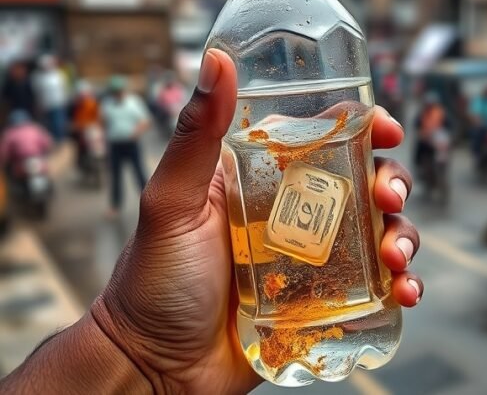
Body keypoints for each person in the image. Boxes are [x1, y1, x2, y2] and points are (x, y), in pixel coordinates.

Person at [0, 49, 423, 393]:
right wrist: (135, 349)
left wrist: (136, 354)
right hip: (272, 333)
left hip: (293, 336)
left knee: (359, 191)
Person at [101, 75, 151, 216]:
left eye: (119, 91)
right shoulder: (107, 104)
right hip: (115, 144)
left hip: (131, 144)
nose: (117, 94)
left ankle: (149, 204)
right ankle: (115, 206)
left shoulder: (134, 102)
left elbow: (145, 120)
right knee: (115, 176)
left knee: (139, 173)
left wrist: (136, 132)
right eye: (114, 91)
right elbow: (103, 122)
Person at [0, 110, 54, 178]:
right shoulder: (35, 128)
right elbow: (48, 142)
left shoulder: (9, 133)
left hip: (21, 163)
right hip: (37, 159)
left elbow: (4, 152)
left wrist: (4, 162)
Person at [32, 54, 69, 141]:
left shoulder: (59, 74)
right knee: (47, 125)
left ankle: (60, 140)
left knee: (58, 124)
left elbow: (64, 88)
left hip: (58, 103)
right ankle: (50, 141)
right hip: (45, 105)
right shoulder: (37, 77)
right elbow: (37, 92)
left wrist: (65, 100)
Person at [71, 80, 103, 170]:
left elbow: (98, 118)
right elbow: (75, 120)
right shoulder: (76, 106)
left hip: (92, 129)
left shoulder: (92, 104)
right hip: (82, 131)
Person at [414, 92, 448, 168]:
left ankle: (441, 161)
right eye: (428, 104)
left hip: (437, 134)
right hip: (426, 134)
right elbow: (416, 124)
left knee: (442, 144)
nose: (429, 106)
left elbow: (448, 125)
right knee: (419, 144)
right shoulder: (422, 113)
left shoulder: (440, 112)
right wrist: (421, 132)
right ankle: (418, 163)